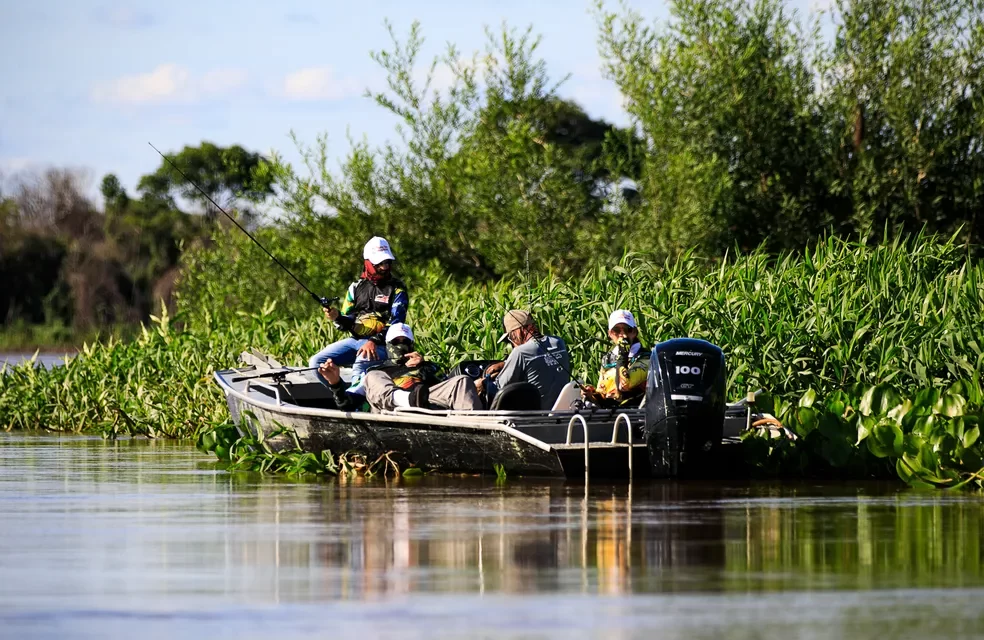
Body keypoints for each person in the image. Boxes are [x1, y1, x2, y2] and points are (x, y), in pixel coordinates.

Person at [309, 236, 409, 386]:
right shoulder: (355, 288)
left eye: (387, 262)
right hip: (356, 341)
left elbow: (396, 324)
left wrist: (373, 341)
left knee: (361, 363)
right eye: (379, 263)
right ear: (368, 263)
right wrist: (337, 317)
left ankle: (355, 405)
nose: (384, 267)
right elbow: (346, 322)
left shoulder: (398, 289)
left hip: (385, 345)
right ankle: (344, 396)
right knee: (317, 362)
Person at [318, 323, 483, 412]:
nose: (401, 346)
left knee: (462, 380)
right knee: (372, 376)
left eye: (405, 342)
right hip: (392, 411)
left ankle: (477, 434)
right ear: (388, 345)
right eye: (396, 342)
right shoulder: (376, 371)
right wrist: (335, 383)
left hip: (427, 403)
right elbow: (346, 404)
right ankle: (408, 401)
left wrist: (425, 366)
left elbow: (448, 386)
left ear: (412, 345)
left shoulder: (427, 366)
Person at [477, 310, 570, 410]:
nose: (511, 343)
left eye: (509, 338)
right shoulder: (559, 342)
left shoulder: (520, 352)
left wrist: (482, 383)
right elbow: (542, 362)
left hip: (535, 415)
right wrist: (505, 364)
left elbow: (498, 387)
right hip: (561, 411)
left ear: (517, 332)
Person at [580, 310, 651, 408]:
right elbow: (604, 393)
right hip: (612, 415)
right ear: (610, 334)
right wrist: (592, 394)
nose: (622, 334)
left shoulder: (646, 357)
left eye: (627, 329)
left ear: (634, 332)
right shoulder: (607, 359)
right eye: (617, 330)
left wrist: (623, 355)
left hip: (637, 415)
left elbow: (624, 384)